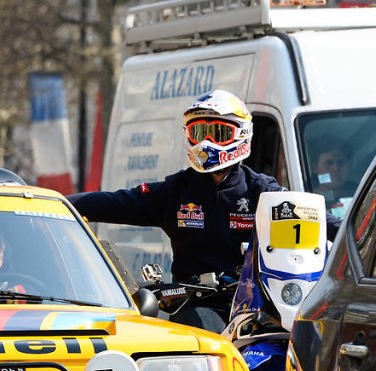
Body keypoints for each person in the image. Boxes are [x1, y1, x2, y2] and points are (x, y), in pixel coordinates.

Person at [68, 89, 340, 332]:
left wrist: (361, 234)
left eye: (218, 133)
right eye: (199, 133)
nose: (206, 142)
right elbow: (110, 203)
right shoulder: (174, 191)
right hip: (196, 306)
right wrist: (53, 203)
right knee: (200, 332)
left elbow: (322, 222)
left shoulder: (261, 191)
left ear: (241, 135)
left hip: (259, 305)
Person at [312, 144, 352, 218]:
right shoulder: (309, 201)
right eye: (329, 163)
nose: (335, 168)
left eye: (340, 162)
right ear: (316, 168)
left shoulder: (358, 193)